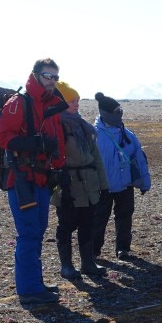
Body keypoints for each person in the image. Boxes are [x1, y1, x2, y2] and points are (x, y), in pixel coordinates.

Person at [0, 57, 67, 305]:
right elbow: (4, 137)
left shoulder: (51, 106)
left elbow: (57, 142)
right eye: (48, 76)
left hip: (41, 178)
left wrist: (58, 167)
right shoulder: (19, 103)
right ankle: (27, 290)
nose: (52, 81)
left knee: (37, 232)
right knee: (28, 233)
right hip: (22, 179)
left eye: (55, 77)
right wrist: (36, 144)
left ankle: (35, 283)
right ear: (35, 75)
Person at [52, 81, 108, 280]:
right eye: (71, 101)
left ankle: (87, 262)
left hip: (88, 184)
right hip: (68, 186)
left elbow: (96, 157)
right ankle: (66, 266)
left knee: (88, 224)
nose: (76, 105)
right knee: (66, 225)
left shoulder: (83, 126)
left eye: (77, 101)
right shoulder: (55, 125)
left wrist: (103, 184)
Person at [94, 92, 151, 261]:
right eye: (116, 111)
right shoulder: (94, 135)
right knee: (99, 219)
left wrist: (144, 183)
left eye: (121, 110)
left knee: (125, 217)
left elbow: (139, 160)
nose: (119, 114)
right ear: (106, 113)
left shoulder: (128, 134)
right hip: (102, 187)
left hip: (125, 185)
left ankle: (123, 249)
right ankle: (94, 251)